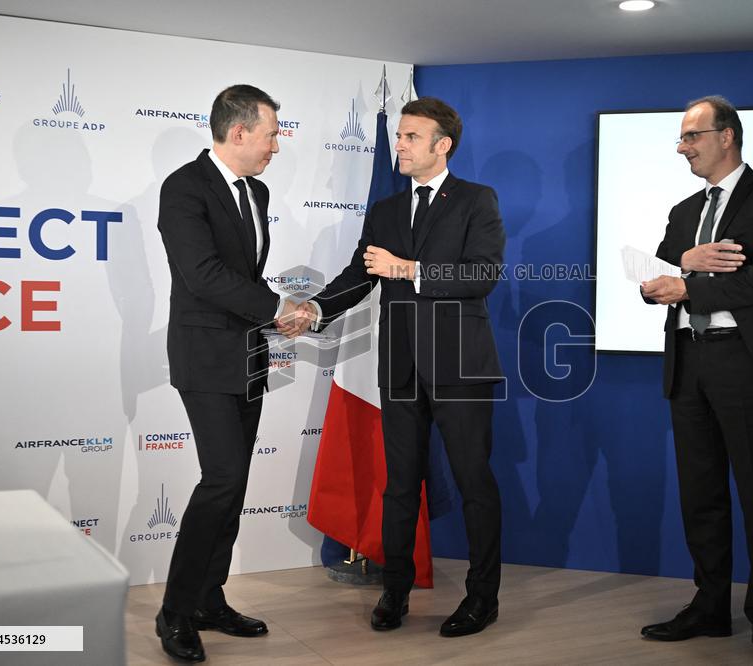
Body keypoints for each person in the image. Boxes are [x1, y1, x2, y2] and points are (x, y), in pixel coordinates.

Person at [296, 97, 506, 637]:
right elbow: (359, 273)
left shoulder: (477, 201)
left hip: (460, 367)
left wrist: (408, 269)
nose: (401, 144)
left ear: (443, 145)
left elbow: (482, 275)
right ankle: (395, 591)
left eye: (412, 137)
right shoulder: (387, 209)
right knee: (399, 486)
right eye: (401, 136)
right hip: (402, 368)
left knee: (474, 483)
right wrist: (315, 308)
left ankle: (484, 599)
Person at [640, 95, 753, 666]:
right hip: (689, 360)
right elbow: (658, 278)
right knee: (701, 495)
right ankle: (710, 606)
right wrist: (666, 279)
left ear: (727, 136)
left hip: (747, 360)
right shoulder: (681, 210)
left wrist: (687, 283)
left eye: (692, 136)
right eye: (681, 138)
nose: (682, 147)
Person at [155, 84, 301, 663]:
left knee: (234, 486)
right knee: (219, 480)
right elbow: (203, 275)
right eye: (271, 134)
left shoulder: (257, 192)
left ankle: (208, 600)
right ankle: (175, 611)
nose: (276, 147)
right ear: (237, 132)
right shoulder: (184, 188)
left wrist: (283, 309)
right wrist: (276, 309)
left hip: (248, 355)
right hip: (204, 358)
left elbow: (245, 274)